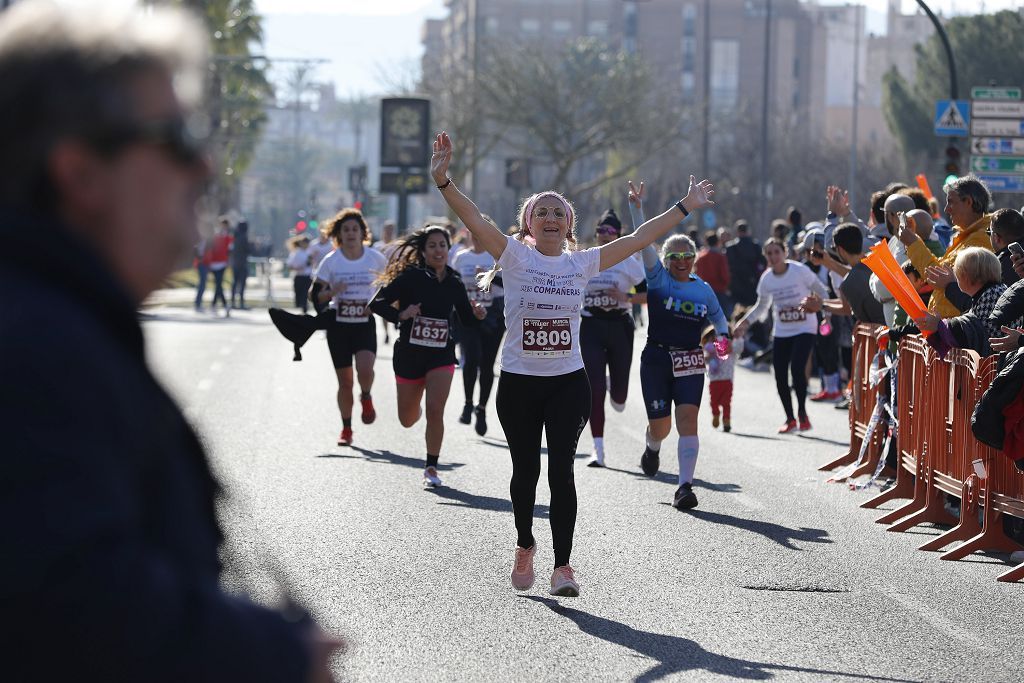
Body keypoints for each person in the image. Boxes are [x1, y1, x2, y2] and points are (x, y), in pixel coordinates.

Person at [0, 2, 340, 679]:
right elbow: (71, 606)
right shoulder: (32, 344)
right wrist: (275, 654)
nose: (205, 165)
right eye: (176, 138)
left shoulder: (60, 318)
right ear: (80, 173)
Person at [430, 131, 714, 597]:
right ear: (528, 223)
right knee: (525, 473)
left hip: (567, 383)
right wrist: (444, 181)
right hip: (519, 382)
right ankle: (525, 544)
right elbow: (474, 217)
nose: (549, 217)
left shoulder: (581, 264)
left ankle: (563, 567)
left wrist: (684, 205)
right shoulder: (514, 255)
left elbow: (642, 237)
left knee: (561, 471)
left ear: (568, 226)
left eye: (558, 212)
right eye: (540, 211)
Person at [627, 183, 730, 511]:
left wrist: (723, 343)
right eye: (675, 257)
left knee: (688, 421)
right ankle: (652, 445)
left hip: (689, 361)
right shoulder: (657, 279)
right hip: (656, 357)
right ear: (667, 260)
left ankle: (684, 487)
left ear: (694, 260)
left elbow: (721, 321)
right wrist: (637, 209)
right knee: (662, 426)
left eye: (688, 257)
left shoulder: (703, 290)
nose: (682, 262)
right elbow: (643, 240)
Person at [369, 226, 486, 487]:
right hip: (410, 355)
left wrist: (477, 314)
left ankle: (431, 467)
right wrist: (402, 314)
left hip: (441, 355)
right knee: (408, 419)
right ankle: (414, 404)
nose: (438, 250)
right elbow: (376, 303)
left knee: (436, 410)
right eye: (432, 245)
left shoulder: (454, 281)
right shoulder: (410, 277)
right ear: (423, 251)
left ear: (448, 249)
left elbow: (466, 320)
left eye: (442, 245)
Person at [735, 238, 828, 433]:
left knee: (796, 368)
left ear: (784, 252)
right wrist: (745, 322)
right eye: (769, 253)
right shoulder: (767, 279)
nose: (773, 256)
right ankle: (790, 418)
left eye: (776, 251)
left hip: (805, 328)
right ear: (765, 257)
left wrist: (823, 309)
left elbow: (822, 290)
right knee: (779, 374)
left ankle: (803, 414)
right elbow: (762, 306)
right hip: (782, 331)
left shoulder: (799, 271)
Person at [310, 208, 386, 445]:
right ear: (339, 235)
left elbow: (390, 288)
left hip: (364, 323)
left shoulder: (375, 258)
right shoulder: (331, 260)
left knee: (365, 370)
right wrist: (333, 291)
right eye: (346, 230)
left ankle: (366, 396)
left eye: (355, 229)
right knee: (344, 382)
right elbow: (314, 295)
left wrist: (378, 305)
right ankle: (346, 428)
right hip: (339, 326)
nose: (351, 233)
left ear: (363, 232)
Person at [579, 207, 646, 467]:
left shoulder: (629, 261)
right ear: (596, 235)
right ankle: (598, 450)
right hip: (592, 325)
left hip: (620, 327)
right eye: (601, 231)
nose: (605, 235)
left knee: (618, 398)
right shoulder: (585, 259)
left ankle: (614, 387)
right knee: (594, 390)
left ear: (618, 235)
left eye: (610, 232)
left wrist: (626, 297)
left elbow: (649, 294)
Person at [899, 175, 994, 318]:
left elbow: (937, 276)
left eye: (951, 202)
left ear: (968, 202)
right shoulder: (968, 236)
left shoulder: (980, 239)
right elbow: (941, 272)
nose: (946, 209)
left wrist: (913, 243)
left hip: (956, 333)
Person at [451, 221, 506, 436]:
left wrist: (489, 276)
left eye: (480, 233)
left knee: (486, 364)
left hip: (492, 315)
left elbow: (512, 283)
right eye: (472, 232)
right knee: (471, 358)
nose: (476, 236)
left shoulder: (496, 257)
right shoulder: (461, 257)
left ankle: (481, 408)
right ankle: (467, 402)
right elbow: (454, 285)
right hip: (468, 315)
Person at [704, 324, 743, 433]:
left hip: (727, 381)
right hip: (714, 381)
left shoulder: (731, 350)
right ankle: (716, 415)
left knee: (726, 403)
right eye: (715, 336)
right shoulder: (711, 350)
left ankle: (726, 422)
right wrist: (707, 357)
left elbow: (739, 348)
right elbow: (704, 358)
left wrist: (739, 337)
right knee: (714, 402)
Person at [695, 229, 731, 316]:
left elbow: (697, 274)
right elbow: (725, 276)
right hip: (719, 292)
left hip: (704, 292)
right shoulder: (720, 257)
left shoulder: (700, 257)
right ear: (717, 241)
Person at [208, 216, 232, 315]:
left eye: (225, 225)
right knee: (218, 285)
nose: (223, 227)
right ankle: (222, 305)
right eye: (222, 225)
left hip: (222, 263)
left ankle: (216, 305)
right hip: (214, 263)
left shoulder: (228, 237)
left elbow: (230, 250)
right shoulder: (215, 235)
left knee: (218, 284)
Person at [286, 234, 313, 313]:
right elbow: (289, 266)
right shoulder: (296, 253)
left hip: (308, 276)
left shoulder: (309, 253)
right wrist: (297, 268)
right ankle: (301, 308)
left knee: (305, 294)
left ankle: (305, 309)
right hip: (299, 276)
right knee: (299, 294)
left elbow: (311, 263)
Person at [230, 219, 250, 309]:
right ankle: (241, 302)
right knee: (241, 284)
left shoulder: (235, 237)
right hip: (242, 263)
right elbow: (248, 250)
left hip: (235, 263)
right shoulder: (244, 237)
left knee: (235, 283)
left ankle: (233, 302)